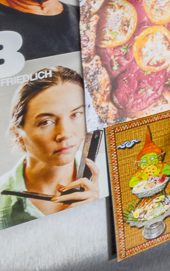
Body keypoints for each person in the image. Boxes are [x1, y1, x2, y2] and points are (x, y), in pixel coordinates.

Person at [0, 66, 100, 229]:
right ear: (18, 132)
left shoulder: (109, 173)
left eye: (76, 114)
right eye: (46, 122)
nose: (64, 134)